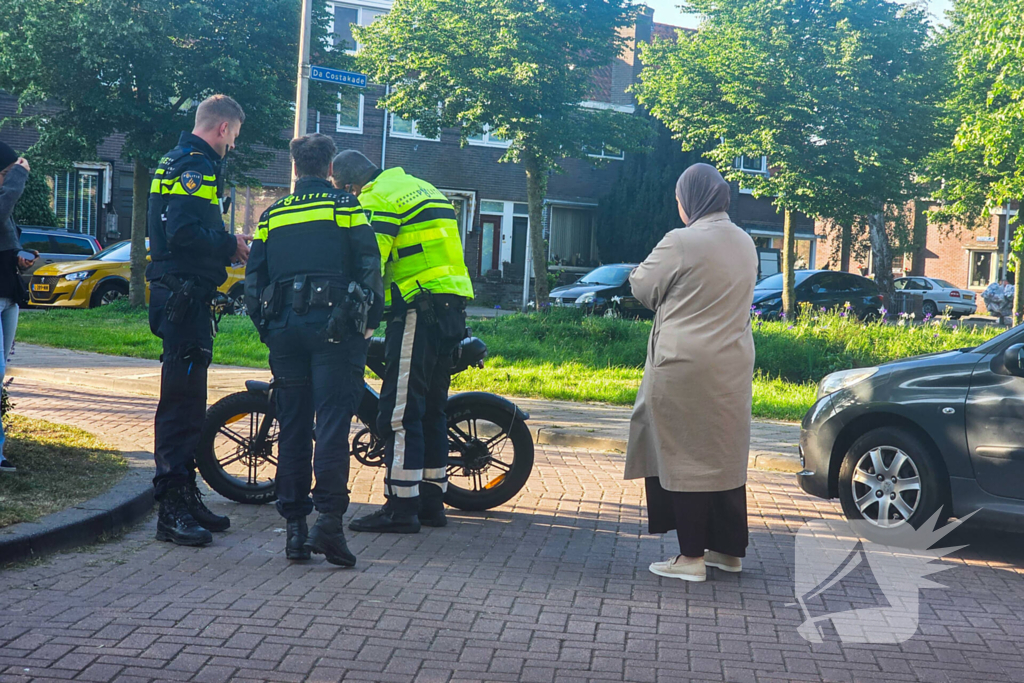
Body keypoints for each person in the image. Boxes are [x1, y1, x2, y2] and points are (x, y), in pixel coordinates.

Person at [244, 134, 383, 566]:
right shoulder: (346, 207)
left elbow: (254, 278)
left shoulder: (272, 215)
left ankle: (294, 531)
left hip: (284, 329)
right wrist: (369, 322)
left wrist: (267, 328)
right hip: (335, 331)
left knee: (294, 425)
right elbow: (369, 263)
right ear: (329, 168)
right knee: (332, 426)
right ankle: (329, 524)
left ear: (295, 167)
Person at [624, 163, 758, 583]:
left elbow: (643, 288)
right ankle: (727, 551)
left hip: (683, 367)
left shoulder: (681, 241)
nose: (678, 206)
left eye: (680, 199)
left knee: (682, 457)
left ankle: (690, 558)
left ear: (690, 200)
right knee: (723, 454)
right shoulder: (746, 241)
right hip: (732, 365)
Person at [330, 150, 474, 534]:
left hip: (416, 307)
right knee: (431, 409)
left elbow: (370, 261)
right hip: (451, 307)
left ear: (349, 186)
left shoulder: (376, 198)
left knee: (399, 410)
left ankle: (400, 507)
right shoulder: (421, 187)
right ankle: (430, 501)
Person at [147, 95, 251, 546]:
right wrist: (229, 244)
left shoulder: (172, 159)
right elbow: (184, 233)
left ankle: (185, 495)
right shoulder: (197, 165)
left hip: (182, 294)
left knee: (188, 401)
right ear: (223, 128)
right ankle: (171, 508)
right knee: (180, 403)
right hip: (184, 294)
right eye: (235, 138)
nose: (232, 148)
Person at [0, 143, 37, 473]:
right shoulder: (4, 200)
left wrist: (20, 257)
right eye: (6, 174)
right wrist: (19, 174)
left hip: (8, 296)